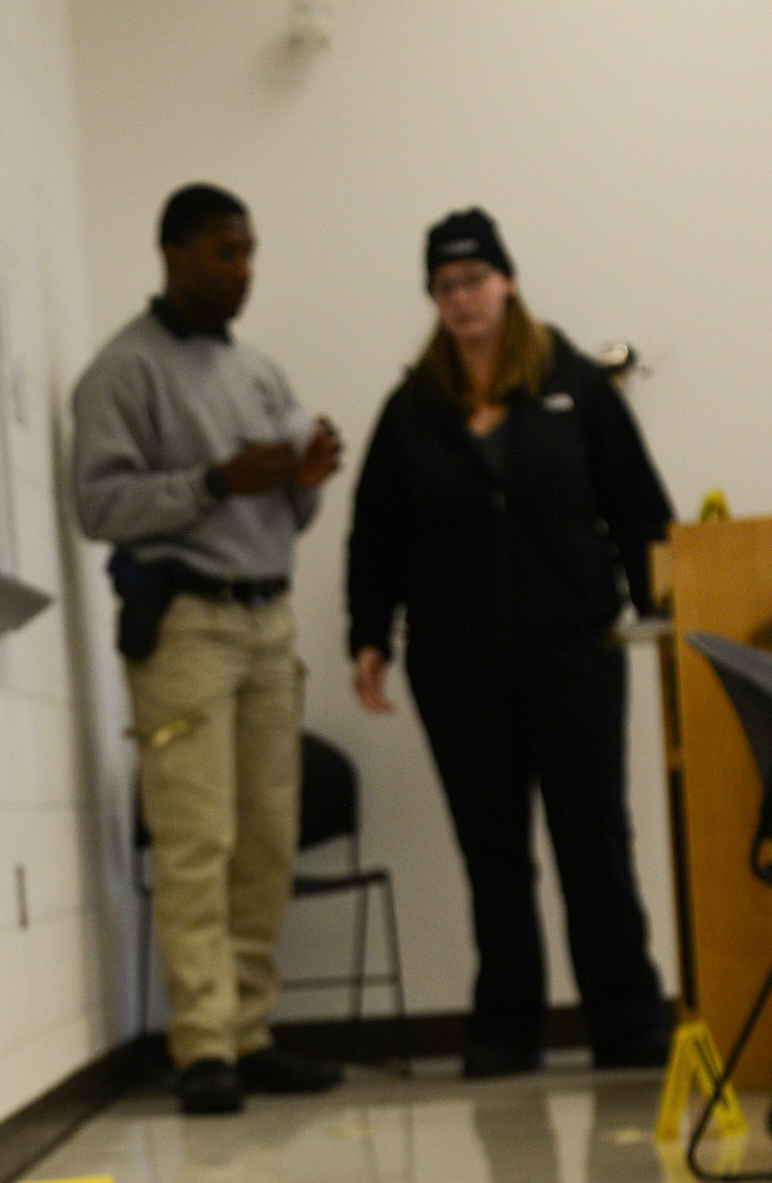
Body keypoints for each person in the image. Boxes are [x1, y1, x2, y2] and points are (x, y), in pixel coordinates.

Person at [348, 207, 673, 1077]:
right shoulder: (413, 408)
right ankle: (504, 1029)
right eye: (445, 287)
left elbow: (637, 505)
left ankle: (628, 1018)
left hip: (574, 648)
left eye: (475, 280)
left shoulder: (572, 383)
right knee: (492, 851)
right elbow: (375, 532)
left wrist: (661, 610)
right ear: (434, 299)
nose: (462, 300)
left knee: (592, 837)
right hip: (459, 665)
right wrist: (367, 635)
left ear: (507, 281)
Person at [72, 183, 343, 1115]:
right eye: (226, 253)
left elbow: (292, 512)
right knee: (198, 837)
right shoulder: (121, 373)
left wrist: (304, 479)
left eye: (250, 252)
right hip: (186, 628)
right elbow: (99, 506)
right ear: (174, 254)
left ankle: (252, 1028)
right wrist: (213, 482)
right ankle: (202, 1044)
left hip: (270, 624)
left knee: (266, 840)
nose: (243, 271)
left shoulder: (261, 374)